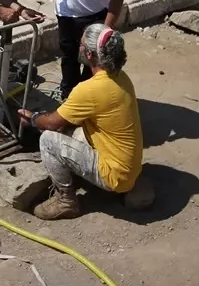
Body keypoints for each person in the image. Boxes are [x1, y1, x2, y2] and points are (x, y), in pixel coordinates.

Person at [18, 25, 144, 220]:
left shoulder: (89, 90)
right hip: (129, 167)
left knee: (49, 140)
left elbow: (51, 123)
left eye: (82, 44)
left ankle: (66, 201)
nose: (79, 47)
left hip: (115, 176)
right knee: (71, 128)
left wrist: (32, 118)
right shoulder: (121, 76)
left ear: (90, 54)